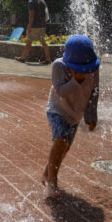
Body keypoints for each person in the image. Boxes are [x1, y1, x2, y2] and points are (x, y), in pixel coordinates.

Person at [43, 34, 100, 198]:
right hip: (58, 109)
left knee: (65, 147)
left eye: (85, 69)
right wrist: (77, 81)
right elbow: (60, 90)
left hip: (76, 113)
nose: (83, 72)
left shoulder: (93, 69)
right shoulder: (58, 66)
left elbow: (95, 92)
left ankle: (46, 173)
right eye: (78, 68)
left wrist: (91, 115)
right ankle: (52, 183)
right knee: (60, 140)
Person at [15, 0, 52, 65]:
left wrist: (30, 26)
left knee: (29, 42)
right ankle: (48, 59)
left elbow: (32, 15)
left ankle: (23, 58)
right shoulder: (42, 1)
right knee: (43, 42)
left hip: (34, 26)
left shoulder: (31, 2)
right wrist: (44, 24)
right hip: (42, 25)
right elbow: (46, 14)